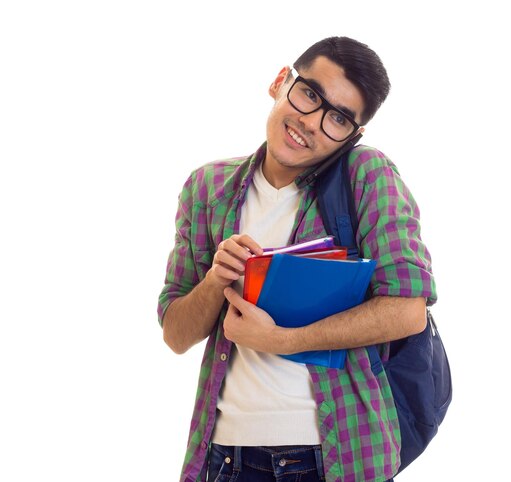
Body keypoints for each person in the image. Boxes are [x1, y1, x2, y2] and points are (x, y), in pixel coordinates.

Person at [158, 36, 437, 482]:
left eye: (338, 119)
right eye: (309, 94)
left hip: (332, 457)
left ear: (354, 136)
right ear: (280, 81)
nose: (310, 123)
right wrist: (215, 281)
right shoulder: (208, 188)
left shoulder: (367, 176)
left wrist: (283, 341)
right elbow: (175, 334)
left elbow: (408, 311)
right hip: (223, 457)